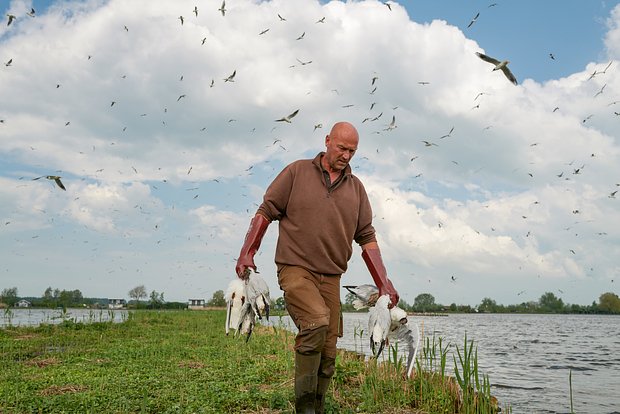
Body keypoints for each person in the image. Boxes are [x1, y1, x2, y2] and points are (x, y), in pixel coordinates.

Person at [235, 121, 400, 413]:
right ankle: (304, 408)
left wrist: (384, 283)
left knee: (328, 350)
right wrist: (247, 252)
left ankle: (318, 406)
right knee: (316, 321)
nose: (347, 155)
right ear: (327, 141)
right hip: (295, 268)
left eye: (352, 150)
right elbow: (266, 211)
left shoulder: (357, 190)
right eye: (342, 148)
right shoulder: (297, 172)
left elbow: (367, 239)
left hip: (332, 276)